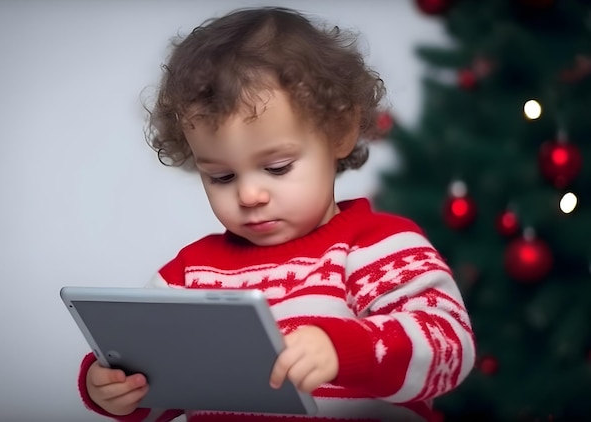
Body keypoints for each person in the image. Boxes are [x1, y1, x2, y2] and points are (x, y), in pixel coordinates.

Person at [77, 6, 476, 422]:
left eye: (277, 167)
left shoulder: (378, 247)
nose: (249, 194)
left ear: (339, 132)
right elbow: (161, 380)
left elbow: (448, 348)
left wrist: (344, 349)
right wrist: (111, 386)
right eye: (222, 175)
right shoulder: (191, 276)